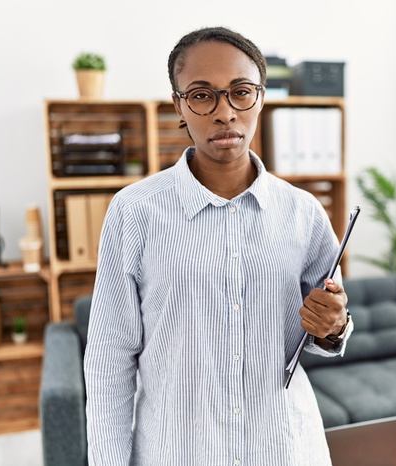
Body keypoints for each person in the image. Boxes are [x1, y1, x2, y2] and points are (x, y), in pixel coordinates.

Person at [83, 26, 353, 466]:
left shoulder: (304, 213)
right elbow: (109, 362)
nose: (225, 112)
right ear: (179, 106)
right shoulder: (134, 212)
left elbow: (328, 331)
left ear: (261, 98)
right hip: (178, 452)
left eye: (241, 92)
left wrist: (336, 325)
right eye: (203, 95)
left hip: (284, 448)